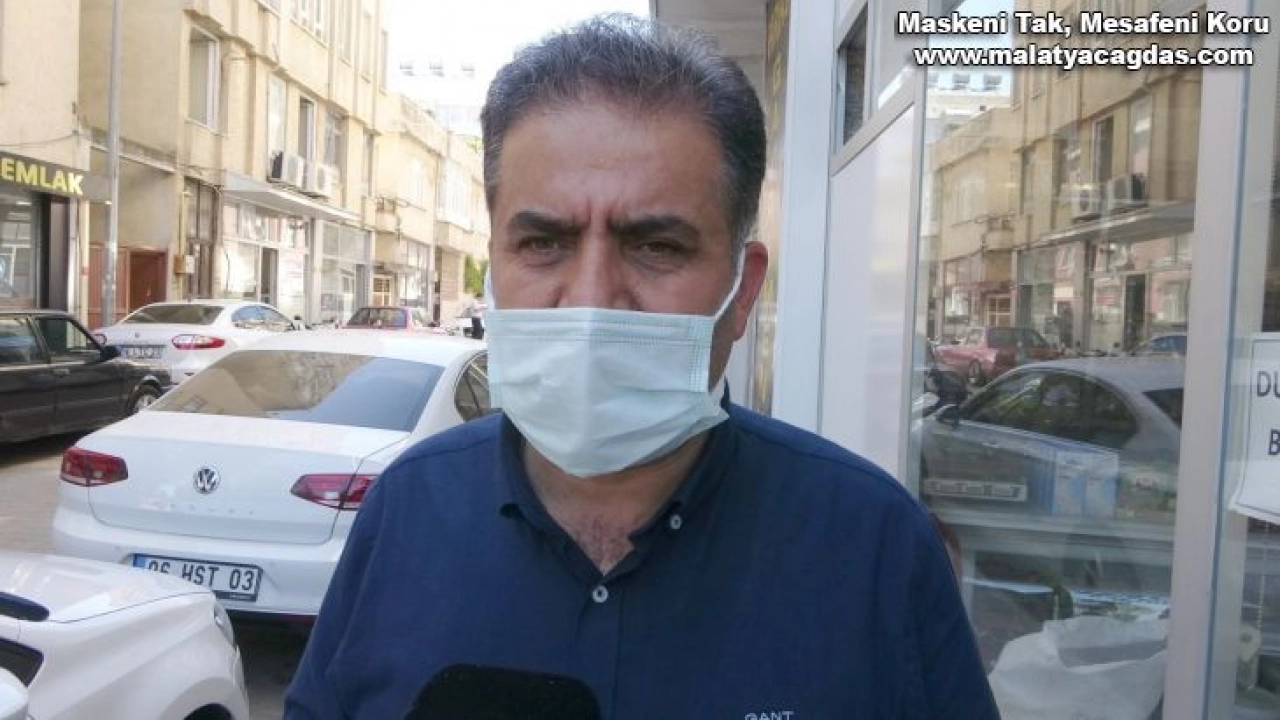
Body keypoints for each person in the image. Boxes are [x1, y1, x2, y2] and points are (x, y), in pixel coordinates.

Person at [285, 14, 998, 719]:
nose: (593, 297)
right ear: (494, 264)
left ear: (743, 290)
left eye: (656, 246)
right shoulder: (408, 509)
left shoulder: (874, 546)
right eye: (543, 243)